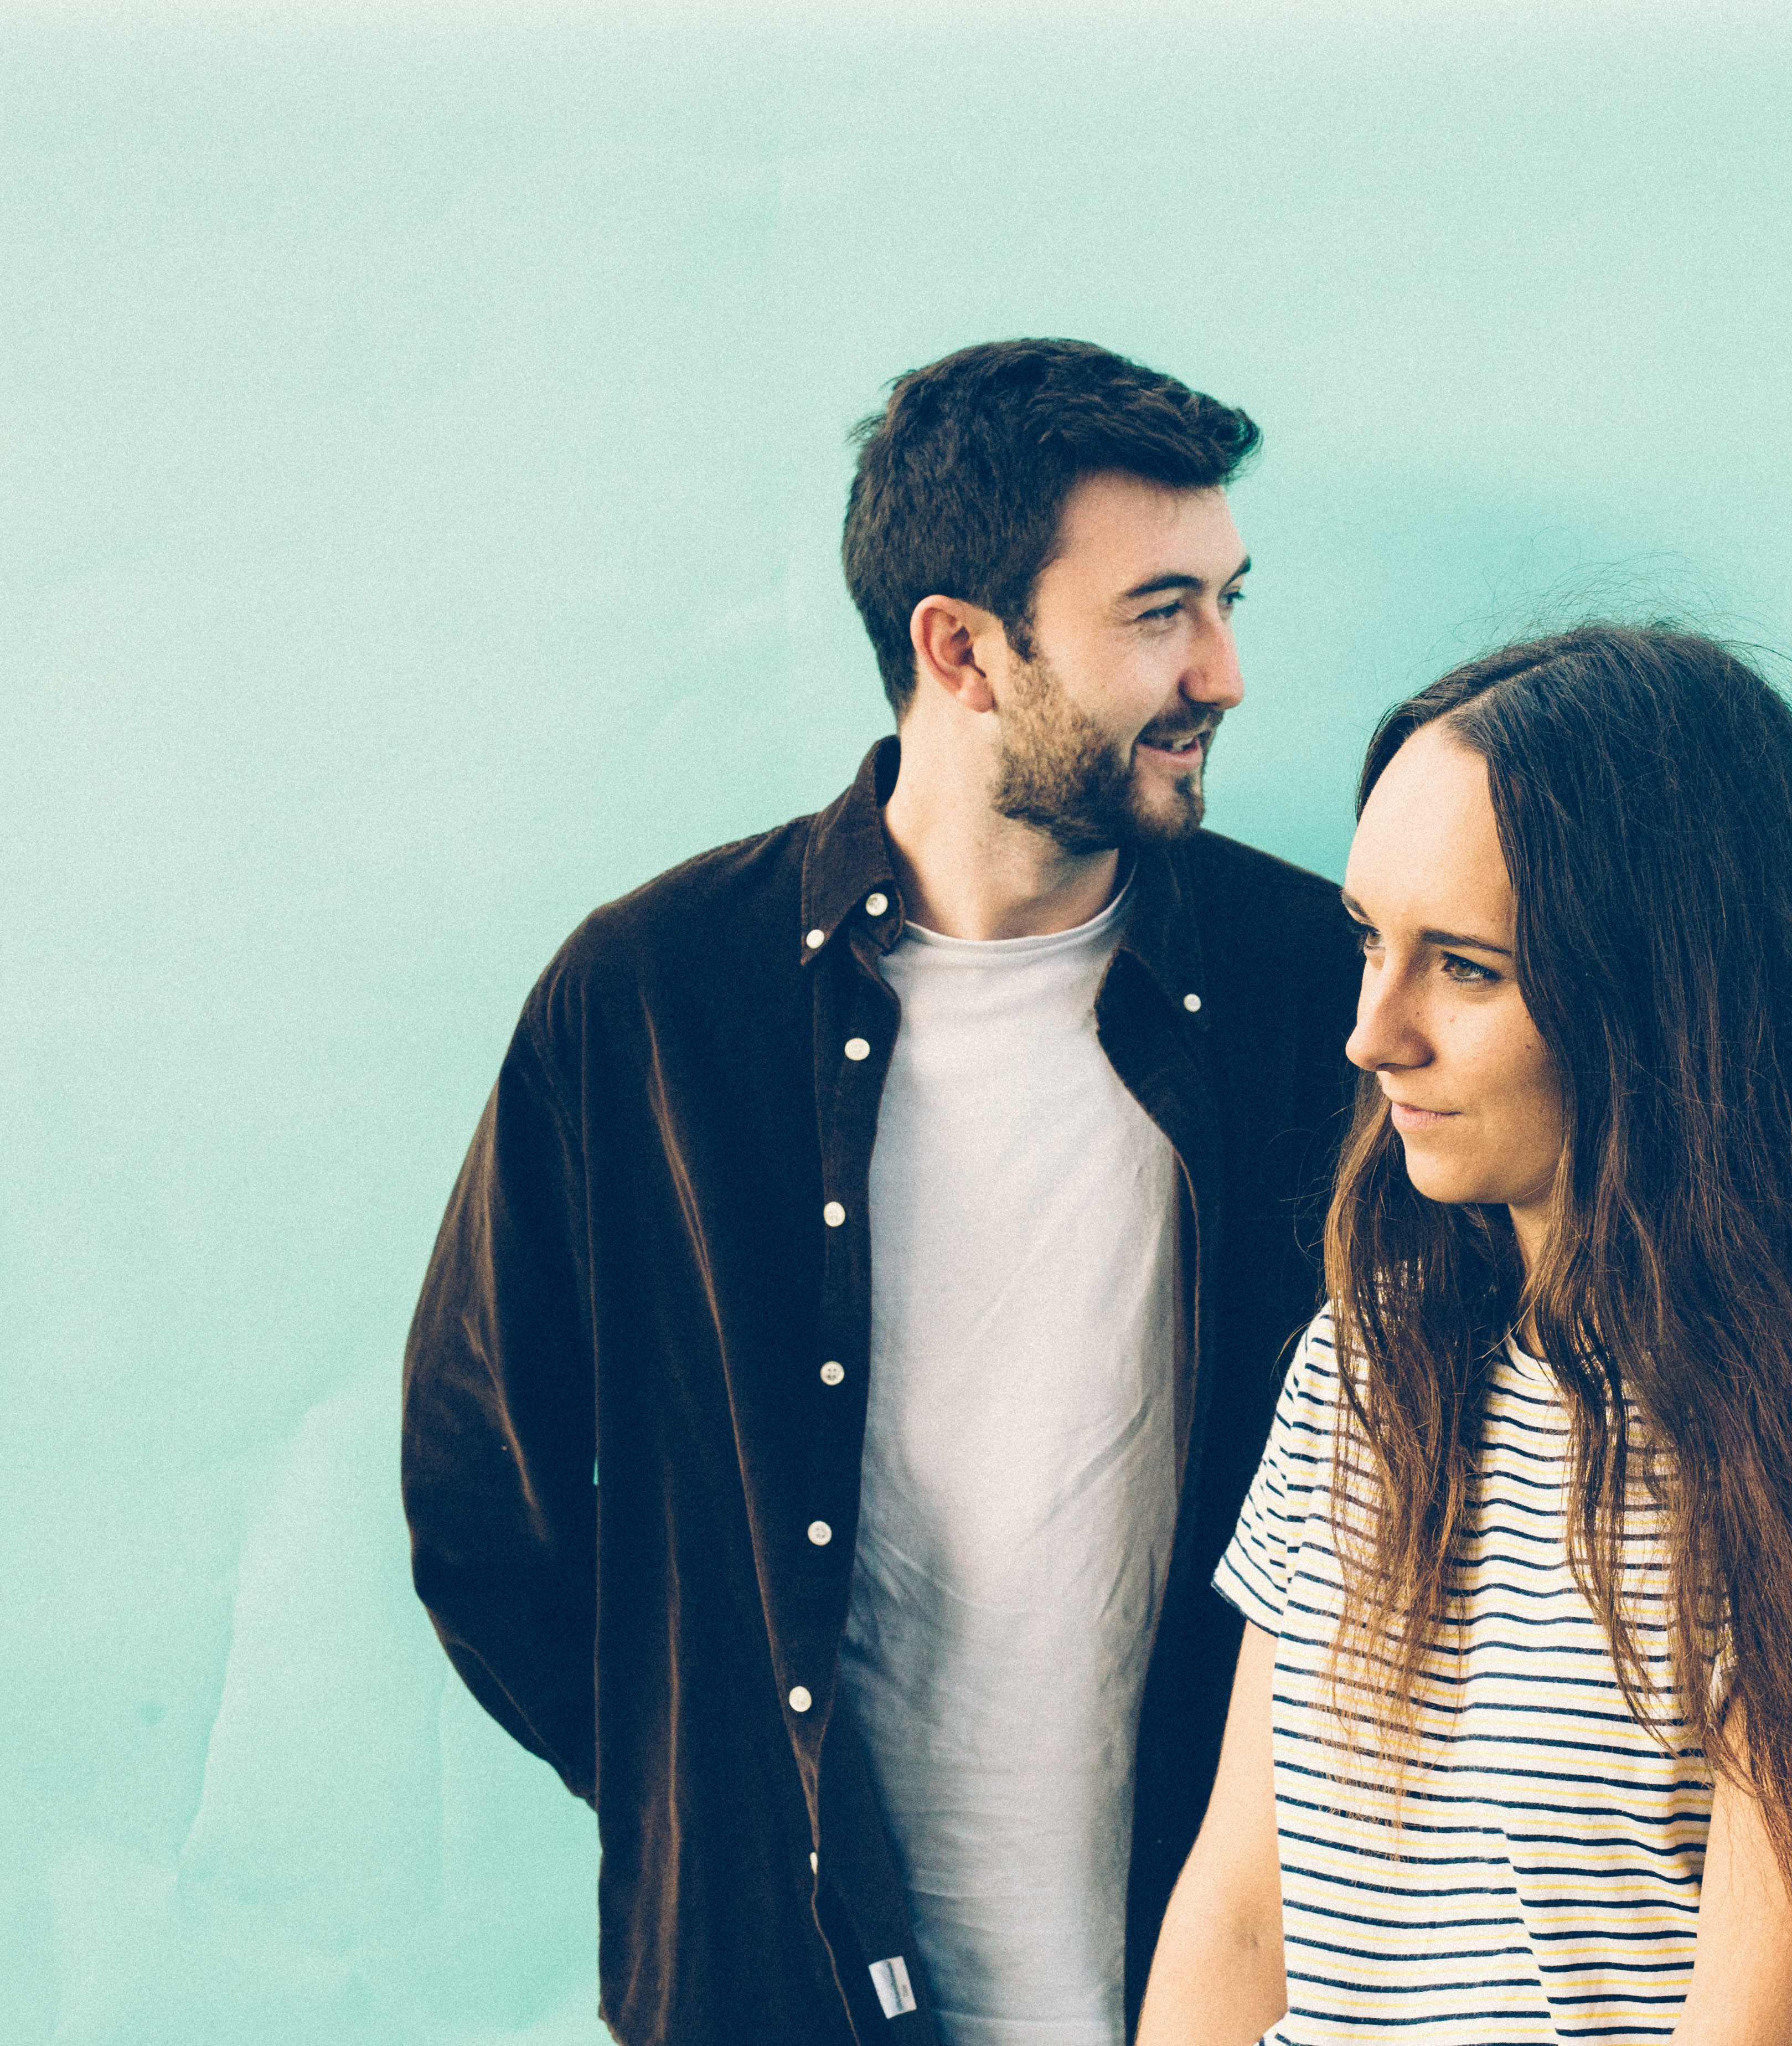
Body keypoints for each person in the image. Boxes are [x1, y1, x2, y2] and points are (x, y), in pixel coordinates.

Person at [401, 338, 1362, 2045]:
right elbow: (485, 1503)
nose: (1224, 670)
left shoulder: (1316, 994)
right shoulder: (656, 1001)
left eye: (1227, 599)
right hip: (779, 1997)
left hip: (1219, 1989)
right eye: (1160, 612)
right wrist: (726, 1806)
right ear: (962, 649)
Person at [1133, 626, 1792, 2044]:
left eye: (1469, 969)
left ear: (1670, 1004)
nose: (1373, 1034)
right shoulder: (1370, 1361)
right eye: (1372, 943)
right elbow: (1242, 1918)